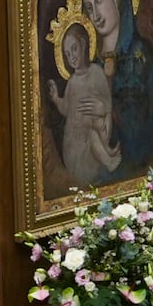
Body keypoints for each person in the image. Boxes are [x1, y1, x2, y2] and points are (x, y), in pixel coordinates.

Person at [77, 0, 153, 181]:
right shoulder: (90, 65)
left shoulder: (141, 57)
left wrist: (109, 111)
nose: (95, 14)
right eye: (88, 7)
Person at [46, 21, 122, 185]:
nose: (71, 56)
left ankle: (107, 154)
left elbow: (108, 104)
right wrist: (56, 99)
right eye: (67, 54)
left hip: (93, 140)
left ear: (84, 44)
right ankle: (108, 157)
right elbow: (66, 109)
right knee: (91, 132)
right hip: (74, 145)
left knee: (95, 130)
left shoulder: (96, 73)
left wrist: (101, 108)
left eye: (74, 49)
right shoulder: (72, 82)